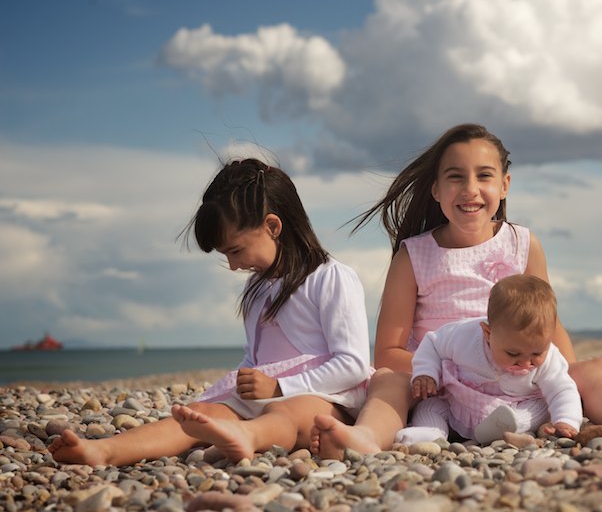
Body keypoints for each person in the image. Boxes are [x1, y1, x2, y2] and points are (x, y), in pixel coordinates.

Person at [309, 124, 602, 459]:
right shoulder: (414, 254)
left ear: (505, 185)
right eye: (455, 177)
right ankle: (365, 437)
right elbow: (388, 350)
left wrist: (564, 372)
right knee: (387, 380)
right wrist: (443, 373)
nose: (470, 189)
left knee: (596, 370)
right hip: (440, 385)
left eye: (484, 176)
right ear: (436, 190)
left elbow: (547, 322)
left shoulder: (522, 243)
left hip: (519, 379)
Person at [49, 159, 372, 466]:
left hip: (327, 401)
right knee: (199, 416)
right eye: (225, 255)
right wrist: (234, 391)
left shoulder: (330, 277)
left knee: (286, 414)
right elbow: (255, 359)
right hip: (268, 396)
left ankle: (246, 435)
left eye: (236, 250)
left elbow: (353, 364)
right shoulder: (257, 288)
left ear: (273, 226)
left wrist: (279, 389)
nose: (232, 265)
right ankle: (104, 450)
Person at [396, 274, 582, 445]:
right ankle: (431, 434)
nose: (526, 363)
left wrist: (566, 420)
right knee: (430, 407)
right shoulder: (464, 336)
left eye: (537, 353)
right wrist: (426, 373)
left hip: (514, 407)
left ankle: (510, 425)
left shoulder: (550, 357)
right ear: (487, 333)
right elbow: (433, 344)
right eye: (513, 354)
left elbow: (562, 389)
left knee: (538, 407)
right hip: (458, 404)